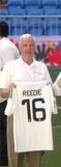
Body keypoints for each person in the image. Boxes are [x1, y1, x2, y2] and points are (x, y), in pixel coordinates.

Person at [0, 34, 52, 167]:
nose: (28, 48)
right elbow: (2, 91)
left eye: (31, 45)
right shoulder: (10, 67)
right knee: (15, 160)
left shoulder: (42, 67)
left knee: (35, 160)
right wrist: (10, 90)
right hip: (16, 116)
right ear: (19, 47)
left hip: (37, 119)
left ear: (35, 47)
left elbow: (50, 90)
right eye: (25, 45)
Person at [0, 20, 19, 165]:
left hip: (6, 95)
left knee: (5, 130)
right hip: (3, 94)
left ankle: (5, 157)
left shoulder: (6, 47)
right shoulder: (5, 46)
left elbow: (12, 71)